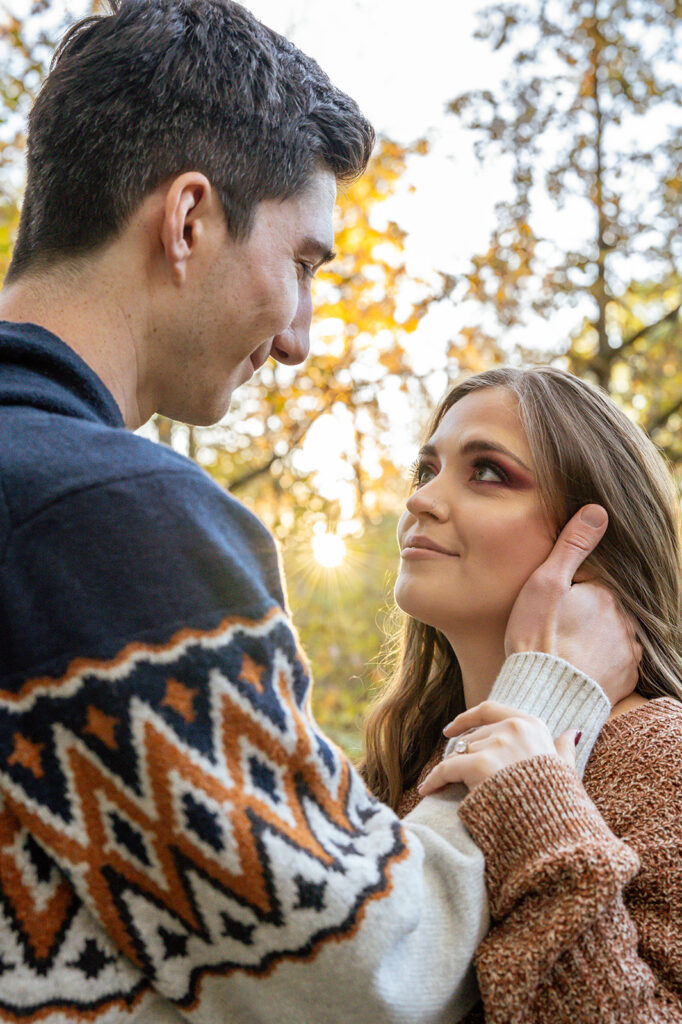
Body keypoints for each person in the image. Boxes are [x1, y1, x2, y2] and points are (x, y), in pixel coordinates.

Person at [0, 1, 637, 1021]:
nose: (298, 336)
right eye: (301, 264)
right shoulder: (110, 513)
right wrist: (541, 705)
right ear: (189, 218)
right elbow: (371, 974)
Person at [362, 365, 682, 1022]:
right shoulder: (407, 760)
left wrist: (536, 823)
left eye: (487, 473)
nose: (420, 501)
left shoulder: (663, 758)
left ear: (590, 545)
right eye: (427, 471)